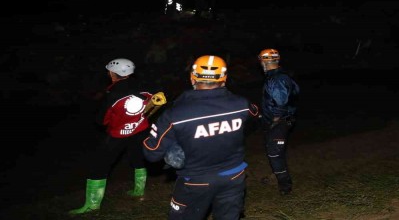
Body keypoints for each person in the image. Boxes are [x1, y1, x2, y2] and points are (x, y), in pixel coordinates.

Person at [143, 55, 259, 220]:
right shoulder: (241, 104)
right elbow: (254, 116)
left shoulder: (175, 114)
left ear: (192, 78)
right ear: (224, 78)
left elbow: (151, 153)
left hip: (195, 182)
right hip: (234, 177)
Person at [69, 58, 164, 215]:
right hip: (140, 129)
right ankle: (139, 190)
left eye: (109, 71)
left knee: (99, 165)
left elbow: (101, 120)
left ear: (113, 73)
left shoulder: (113, 94)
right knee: (138, 158)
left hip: (118, 135)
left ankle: (92, 205)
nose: (108, 73)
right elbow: (153, 101)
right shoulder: (143, 87)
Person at [257, 48, 300, 195]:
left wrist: (275, 120)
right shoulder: (279, 76)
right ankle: (276, 175)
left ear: (264, 61)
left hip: (279, 122)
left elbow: (281, 103)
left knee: (274, 153)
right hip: (282, 120)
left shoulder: (276, 79)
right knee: (275, 152)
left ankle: (285, 186)